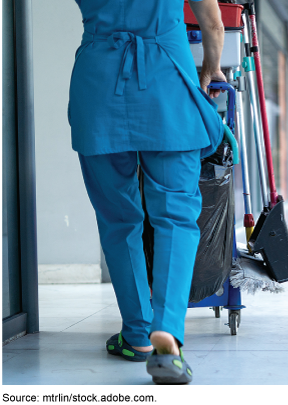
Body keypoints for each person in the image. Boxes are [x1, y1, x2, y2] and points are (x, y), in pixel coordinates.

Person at [68, 0, 226, 384]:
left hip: (98, 85)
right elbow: (213, 22)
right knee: (175, 216)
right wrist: (211, 66)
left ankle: (137, 333)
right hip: (166, 85)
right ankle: (166, 338)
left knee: (117, 219)